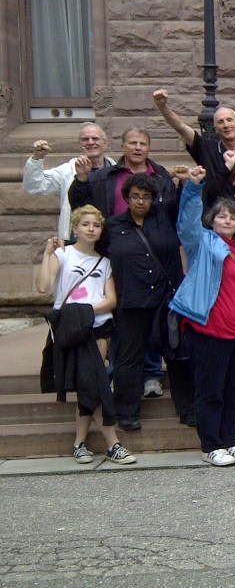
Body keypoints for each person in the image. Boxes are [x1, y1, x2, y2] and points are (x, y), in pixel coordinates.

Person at [68, 126, 178, 402]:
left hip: (151, 256)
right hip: (116, 252)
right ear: (123, 146)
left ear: (148, 148)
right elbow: (84, 207)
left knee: (153, 318)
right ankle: (123, 374)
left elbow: (171, 214)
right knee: (124, 319)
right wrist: (81, 181)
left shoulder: (161, 176)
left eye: (143, 143)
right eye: (132, 143)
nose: (138, 148)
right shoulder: (105, 176)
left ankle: (151, 373)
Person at [170, 167, 235, 467]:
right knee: (210, 390)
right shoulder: (202, 244)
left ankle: (231, 440)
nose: (227, 220)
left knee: (232, 390)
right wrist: (192, 189)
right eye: (222, 216)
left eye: (232, 217)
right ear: (211, 220)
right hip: (210, 331)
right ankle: (211, 444)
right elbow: (186, 224)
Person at [35, 205, 136, 465]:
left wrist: (85, 311)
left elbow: (111, 300)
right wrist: (48, 253)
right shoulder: (63, 254)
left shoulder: (104, 262)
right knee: (91, 384)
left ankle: (89, 443)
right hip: (71, 330)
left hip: (98, 328)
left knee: (91, 383)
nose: (91, 229)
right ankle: (105, 443)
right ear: (75, 228)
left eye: (96, 225)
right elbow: (44, 287)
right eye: (86, 224)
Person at [98, 172, 193, 431]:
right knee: (129, 356)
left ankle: (187, 408)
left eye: (146, 196)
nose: (141, 201)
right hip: (133, 300)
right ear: (126, 198)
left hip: (167, 297)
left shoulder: (164, 217)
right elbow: (96, 251)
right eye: (135, 196)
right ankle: (127, 411)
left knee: (177, 353)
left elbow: (183, 201)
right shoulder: (113, 226)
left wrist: (185, 181)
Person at [152, 89, 235, 205]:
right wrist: (163, 107)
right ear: (215, 129)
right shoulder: (206, 149)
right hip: (213, 217)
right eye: (220, 122)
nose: (226, 125)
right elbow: (181, 127)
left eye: (229, 120)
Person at [22, 122, 115, 240]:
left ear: (105, 143)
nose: (90, 142)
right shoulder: (67, 171)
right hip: (76, 240)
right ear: (79, 144)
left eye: (95, 138)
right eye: (85, 139)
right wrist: (37, 158)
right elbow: (34, 186)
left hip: (108, 238)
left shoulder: (116, 172)